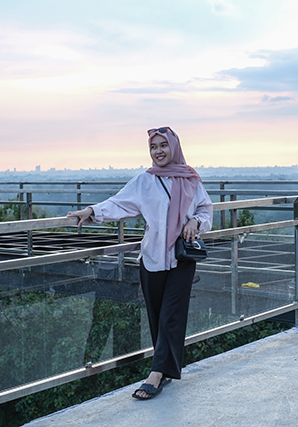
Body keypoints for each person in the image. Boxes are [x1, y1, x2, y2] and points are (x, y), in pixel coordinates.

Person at [67, 126, 213, 400]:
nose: (158, 151)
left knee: (171, 315)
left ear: (174, 147)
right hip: (153, 259)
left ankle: (156, 375)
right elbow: (119, 204)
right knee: (157, 316)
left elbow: (206, 209)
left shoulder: (191, 179)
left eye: (163, 146)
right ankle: (168, 370)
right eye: (153, 147)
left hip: (181, 259)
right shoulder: (144, 182)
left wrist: (196, 221)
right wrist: (91, 211)